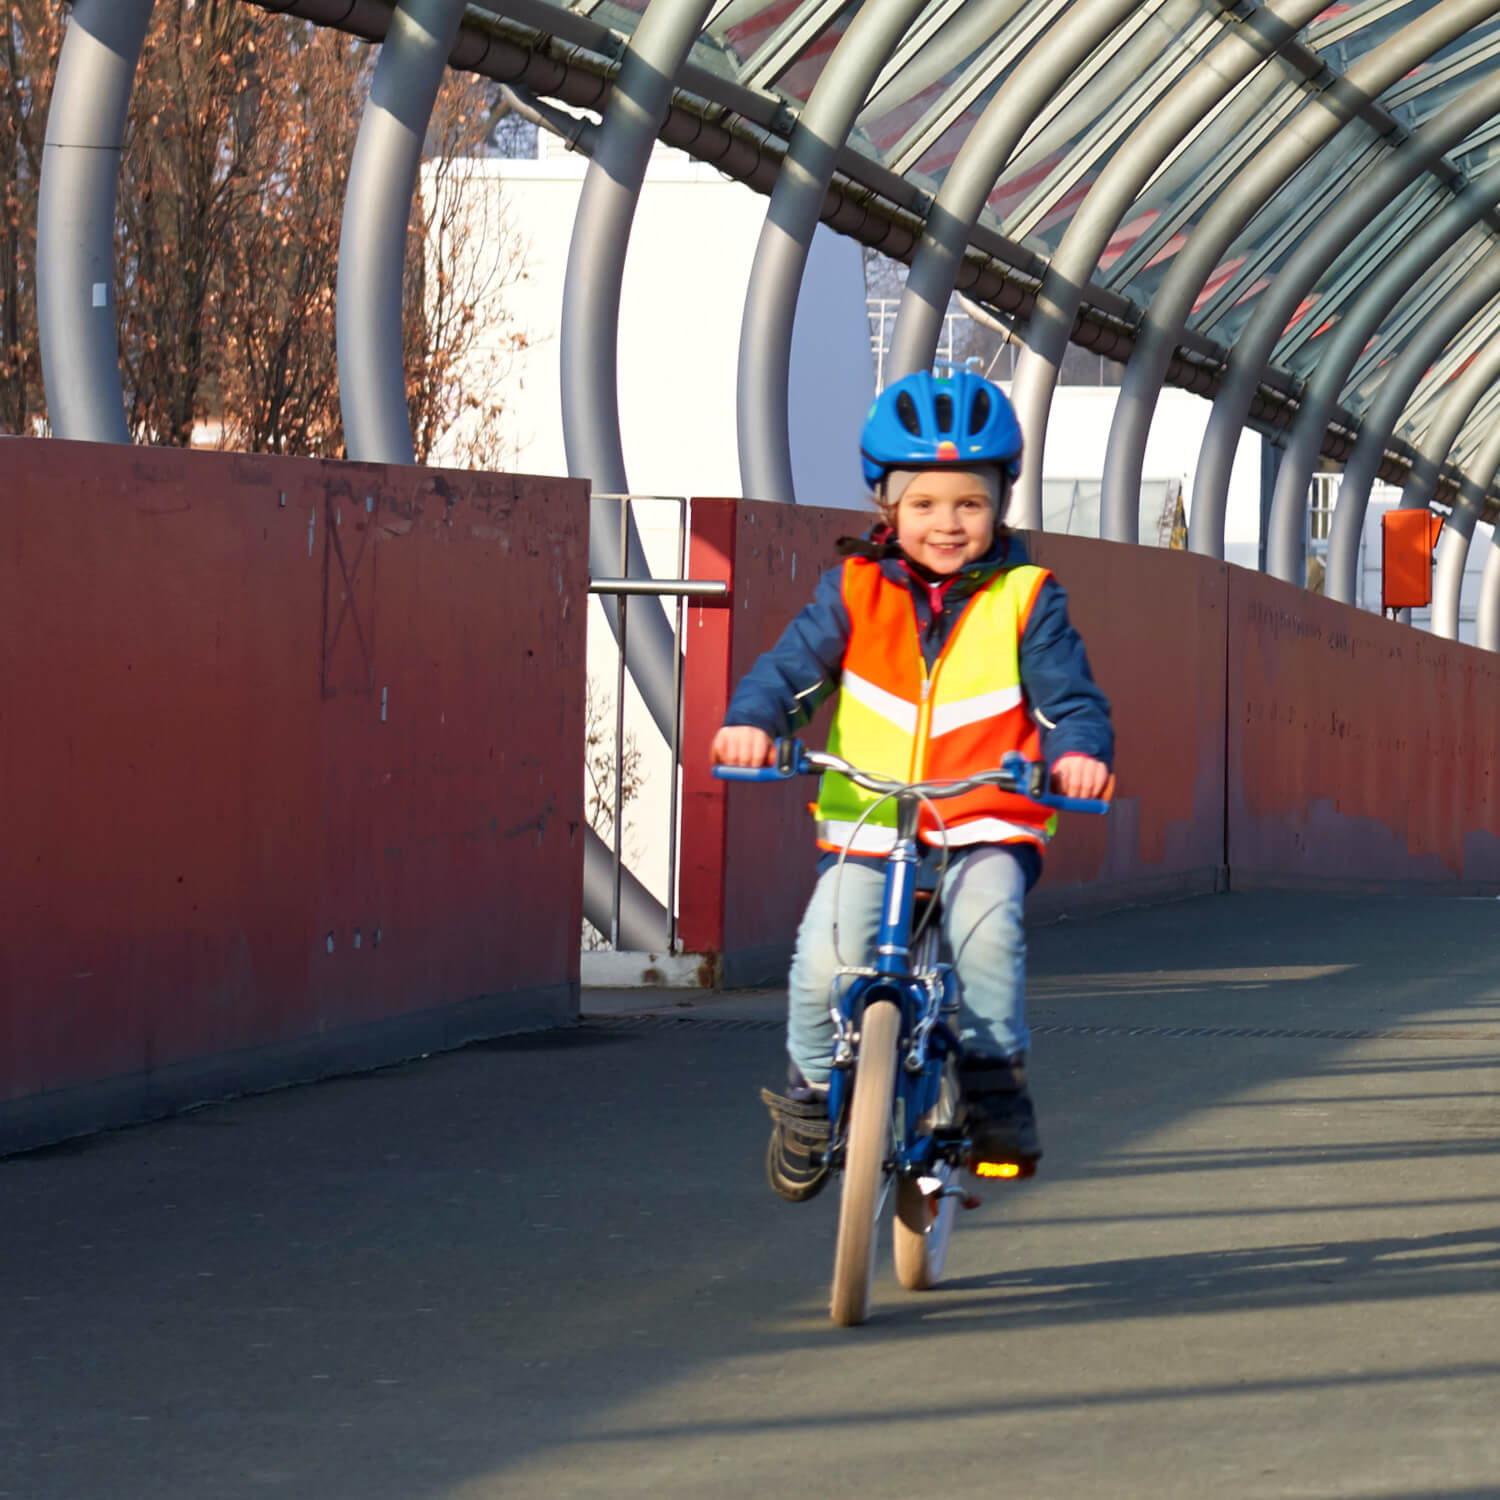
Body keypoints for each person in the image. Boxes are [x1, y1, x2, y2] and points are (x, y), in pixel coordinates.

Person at [710, 368, 1114, 1202]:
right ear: (887, 507)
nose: (947, 523)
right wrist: (756, 722)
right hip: (871, 818)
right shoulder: (854, 590)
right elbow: (794, 671)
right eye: (924, 504)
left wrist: (1077, 751)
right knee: (824, 959)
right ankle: (810, 1099)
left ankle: (995, 1078)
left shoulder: (1025, 598)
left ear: (1001, 502)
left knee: (986, 931)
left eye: (969, 503)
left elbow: (1069, 698)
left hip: (986, 814)